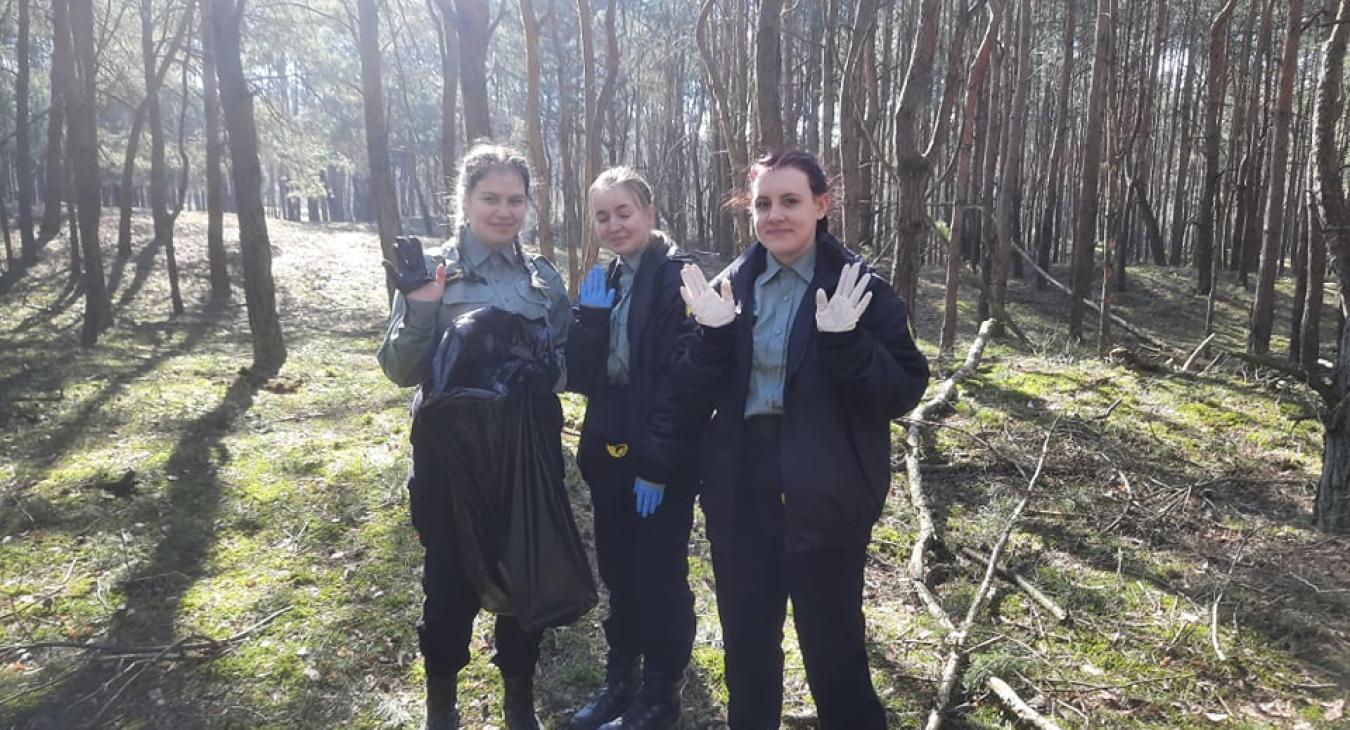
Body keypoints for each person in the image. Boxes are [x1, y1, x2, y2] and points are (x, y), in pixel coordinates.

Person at [674, 149, 930, 729]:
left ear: (821, 205)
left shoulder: (861, 291)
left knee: (834, 647)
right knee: (746, 646)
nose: (776, 215)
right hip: (741, 484)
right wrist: (711, 337)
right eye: (763, 204)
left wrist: (848, 344)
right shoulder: (729, 288)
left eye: (790, 201)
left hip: (828, 485)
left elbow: (902, 391)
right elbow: (687, 393)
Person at [377, 143, 571, 730]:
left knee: (524, 568)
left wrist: (547, 367)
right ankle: (443, 700)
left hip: (527, 453)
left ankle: (519, 700)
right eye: (490, 197)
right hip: (448, 457)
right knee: (448, 580)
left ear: (529, 206)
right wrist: (420, 309)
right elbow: (398, 368)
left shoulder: (543, 278)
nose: (504, 210)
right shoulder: (432, 271)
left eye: (516, 199)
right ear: (464, 201)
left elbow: (563, 360)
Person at [564, 167, 699, 730]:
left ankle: (661, 696)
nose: (614, 225)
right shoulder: (609, 277)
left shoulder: (678, 279)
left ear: (648, 212)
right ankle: (620, 682)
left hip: (659, 459)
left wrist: (659, 465)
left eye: (624, 212)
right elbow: (581, 376)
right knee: (619, 571)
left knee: (661, 576)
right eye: (602, 216)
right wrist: (590, 323)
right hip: (611, 453)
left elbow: (685, 383)